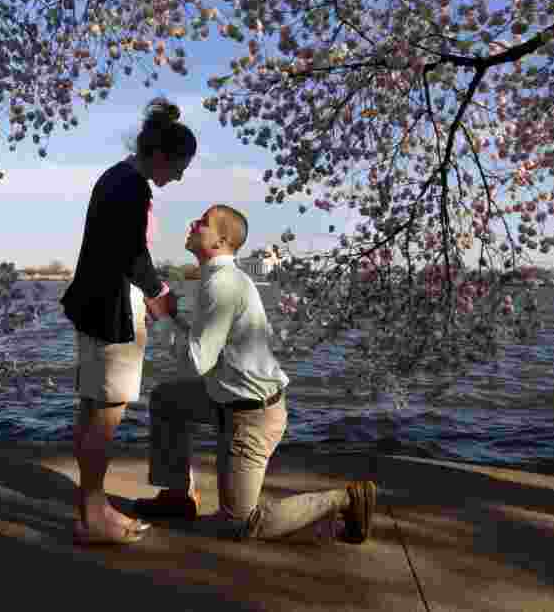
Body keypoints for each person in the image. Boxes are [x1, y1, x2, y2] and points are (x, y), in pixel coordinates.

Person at [134, 205, 377, 544]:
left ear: (220, 240)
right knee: (166, 400)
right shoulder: (218, 280)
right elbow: (208, 349)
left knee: (238, 524)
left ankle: (346, 499)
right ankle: (177, 497)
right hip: (227, 400)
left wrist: (162, 318)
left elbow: (195, 363)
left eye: (201, 222)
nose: (192, 223)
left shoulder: (222, 285)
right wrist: (174, 317)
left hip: (251, 418)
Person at [61, 98, 197, 545]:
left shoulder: (115, 178)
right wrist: (160, 295)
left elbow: (124, 250)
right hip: (112, 311)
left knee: (92, 410)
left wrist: (152, 292)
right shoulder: (131, 185)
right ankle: (94, 514)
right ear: (161, 155)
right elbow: (131, 254)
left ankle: (92, 506)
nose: (179, 176)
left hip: (96, 306)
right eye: (180, 165)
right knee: (106, 413)